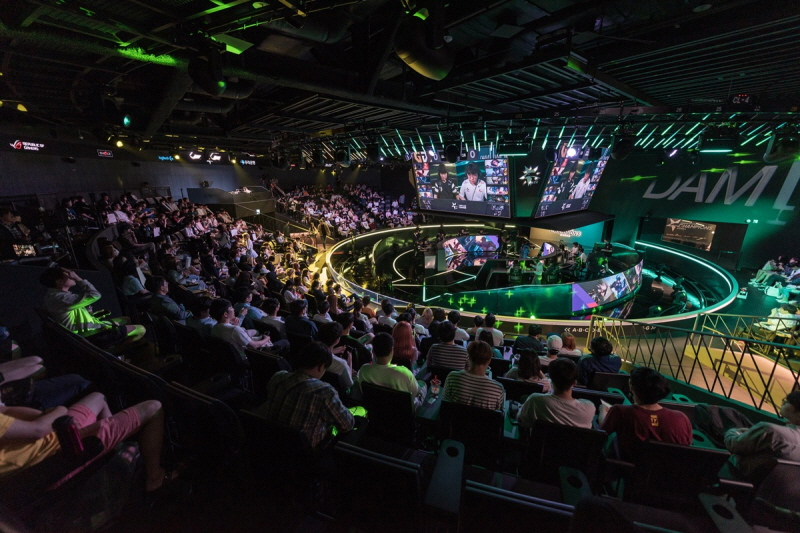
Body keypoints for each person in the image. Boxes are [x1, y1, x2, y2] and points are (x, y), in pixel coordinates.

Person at [0, 391, 182, 497]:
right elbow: (38, 430)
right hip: (60, 453)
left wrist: (50, 416)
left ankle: (114, 456)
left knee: (98, 398)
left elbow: (6, 410)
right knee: (153, 407)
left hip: (54, 434)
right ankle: (154, 478)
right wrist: (58, 412)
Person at [257, 342, 354, 449]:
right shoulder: (324, 392)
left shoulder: (277, 377)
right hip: (306, 452)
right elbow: (347, 425)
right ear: (321, 367)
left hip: (271, 443)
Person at [599, 367, 692, 460]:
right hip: (669, 469)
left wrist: (602, 410)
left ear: (632, 388)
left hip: (627, 467)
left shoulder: (620, 411)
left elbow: (603, 430)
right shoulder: (681, 418)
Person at [40, 267, 145, 348]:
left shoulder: (54, 294)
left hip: (81, 328)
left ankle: (116, 339)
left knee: (126, 319)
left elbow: (71, 314)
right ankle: (113, 350)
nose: (71, 274)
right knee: (141, 329)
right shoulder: (62, 298)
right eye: (68, 274)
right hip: (88, 335)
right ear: (59, 282)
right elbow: (95, 295)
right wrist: (78, 278)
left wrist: (90, 313)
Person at [724, 391, 800, 481]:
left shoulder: (769, 430)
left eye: (788, 402)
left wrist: (734, 431)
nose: (783, 403)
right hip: (774, 484)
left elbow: (733, 445)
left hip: (738, 473)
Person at [517, 358, 595, 429]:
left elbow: (522, 420)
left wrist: (522, 407)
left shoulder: (535, 400)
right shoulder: (589, 408)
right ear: (575, 383)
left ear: (551, 379)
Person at [357, 333, 427, 408]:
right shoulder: (404, 373)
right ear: (392, 351)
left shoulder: (363, 370)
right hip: (402, 412)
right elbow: (415, 393)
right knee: (422, 384)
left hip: (375, 410)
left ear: (373, 351)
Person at [443, 341, 505, 411]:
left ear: (469, 357)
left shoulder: (452, 377)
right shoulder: (498, 389)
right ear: (489, 361)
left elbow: (445, 404)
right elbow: (497, 414)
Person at [316, 322, 354, 392]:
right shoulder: (341, 364)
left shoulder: (310, 352)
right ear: (337, 341)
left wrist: (333, 351)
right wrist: (350, 363)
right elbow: (349, 384)